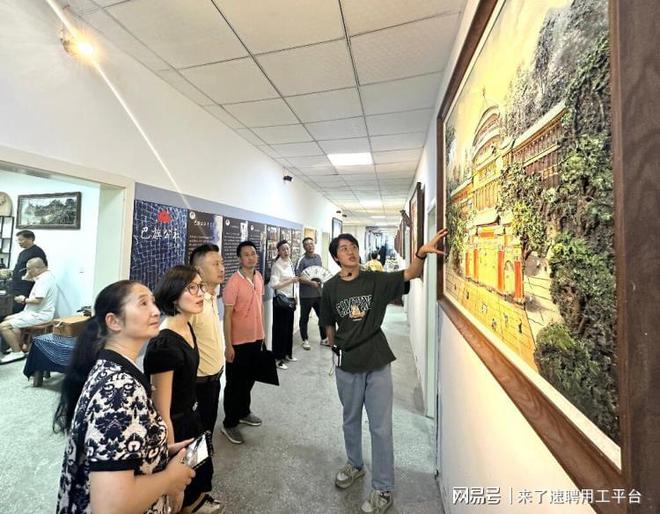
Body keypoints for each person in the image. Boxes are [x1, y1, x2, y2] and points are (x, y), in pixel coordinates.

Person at [320, 229, 448, 514]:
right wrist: (334, 348)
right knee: (349, 420)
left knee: (380, 427)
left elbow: (411, 273)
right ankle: (355, 464)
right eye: (343, 249)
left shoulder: (375, 279)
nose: (351, 251)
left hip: (376, 360)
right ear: (336, 257)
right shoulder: (330, 288)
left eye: (353, 246)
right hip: (347, 363)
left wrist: (420, 254)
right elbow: (328, 323)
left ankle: (383, 487)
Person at [54, 280, 195, 514]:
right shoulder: (119, 389)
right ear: (114, 321)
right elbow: (111, 506)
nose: (155, 310)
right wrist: (169, 479)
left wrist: (159, 452)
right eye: (142, 303)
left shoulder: (114, 369)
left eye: (152, 302)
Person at [144, 265, 221, 514]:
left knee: (198, 474)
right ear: (174, 295)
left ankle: (196, 502)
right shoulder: (164, 344)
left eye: (200, 286)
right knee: (179, 489)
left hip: (192, 415)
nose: (199, 293)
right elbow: (161, 411)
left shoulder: (187, 326)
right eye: (191, 288)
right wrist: (169, 467)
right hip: (176, 426)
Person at [221, 241, 265, 445]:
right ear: (239, 258)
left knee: (250, 379)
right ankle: (229, 423)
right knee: (234, 384)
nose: (251, 257)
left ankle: (243, 412)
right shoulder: (233, 283)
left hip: (256, 338)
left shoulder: (258, 277)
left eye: (253, 254)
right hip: (238, 342)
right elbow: (228, 316)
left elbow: (259, 308)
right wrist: (228, 345)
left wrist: (263, 334)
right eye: (246, 254)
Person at [189, 244, 226, 437]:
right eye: (215, 264)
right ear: (198, 270)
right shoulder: (193, 303)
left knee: (207, 433)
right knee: (195, 438)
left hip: (214, 380)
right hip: (197, 386)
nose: (221, 268)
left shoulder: (211, 296)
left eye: (221, 263)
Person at [0, 257, 57, 364]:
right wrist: (28, 275)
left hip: (39, 315)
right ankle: (17, 346)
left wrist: (24, 299)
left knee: (3, 326)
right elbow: (29, 278)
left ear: (37, 268)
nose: (28, 271)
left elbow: (37, 300)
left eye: (29, 269)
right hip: (34, 312)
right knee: (8, 318)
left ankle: (17, 352)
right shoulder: (47, 276)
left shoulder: (43, 281)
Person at [270, 239, 298, 370]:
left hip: (291, 301)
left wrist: (296, 297)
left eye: (287, 249)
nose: (286, 251)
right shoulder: (277, 265)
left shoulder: (290, 262)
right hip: (282, 302)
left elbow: (294, 283)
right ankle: (278, 359)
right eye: (283, 249)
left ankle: (288, 354)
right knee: (280, 331)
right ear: (279, 252)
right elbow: (274, 284)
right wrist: (290, 280)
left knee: (289, 329)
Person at [295, 237, 328, 349]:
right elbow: (298, 277)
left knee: (323, 317)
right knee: (304, 318)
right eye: (307, 244)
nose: (310, 245)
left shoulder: (318, 257)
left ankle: (324, 339)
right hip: (306, 295)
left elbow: (320, 273)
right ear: (304, 247)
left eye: (311, 243)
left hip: (319, 294)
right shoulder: (301, 260)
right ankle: (305, 340)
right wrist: (310, 283)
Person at [11, 230, 47, 314]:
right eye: (18, 240)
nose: (19, 242)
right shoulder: (22, 253)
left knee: (20, 311)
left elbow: (42, 269)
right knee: (13, 309)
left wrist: (27, 278)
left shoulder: (37, 252)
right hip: (17, 286)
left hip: (26, 287)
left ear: (30, 239)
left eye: (21, 240)